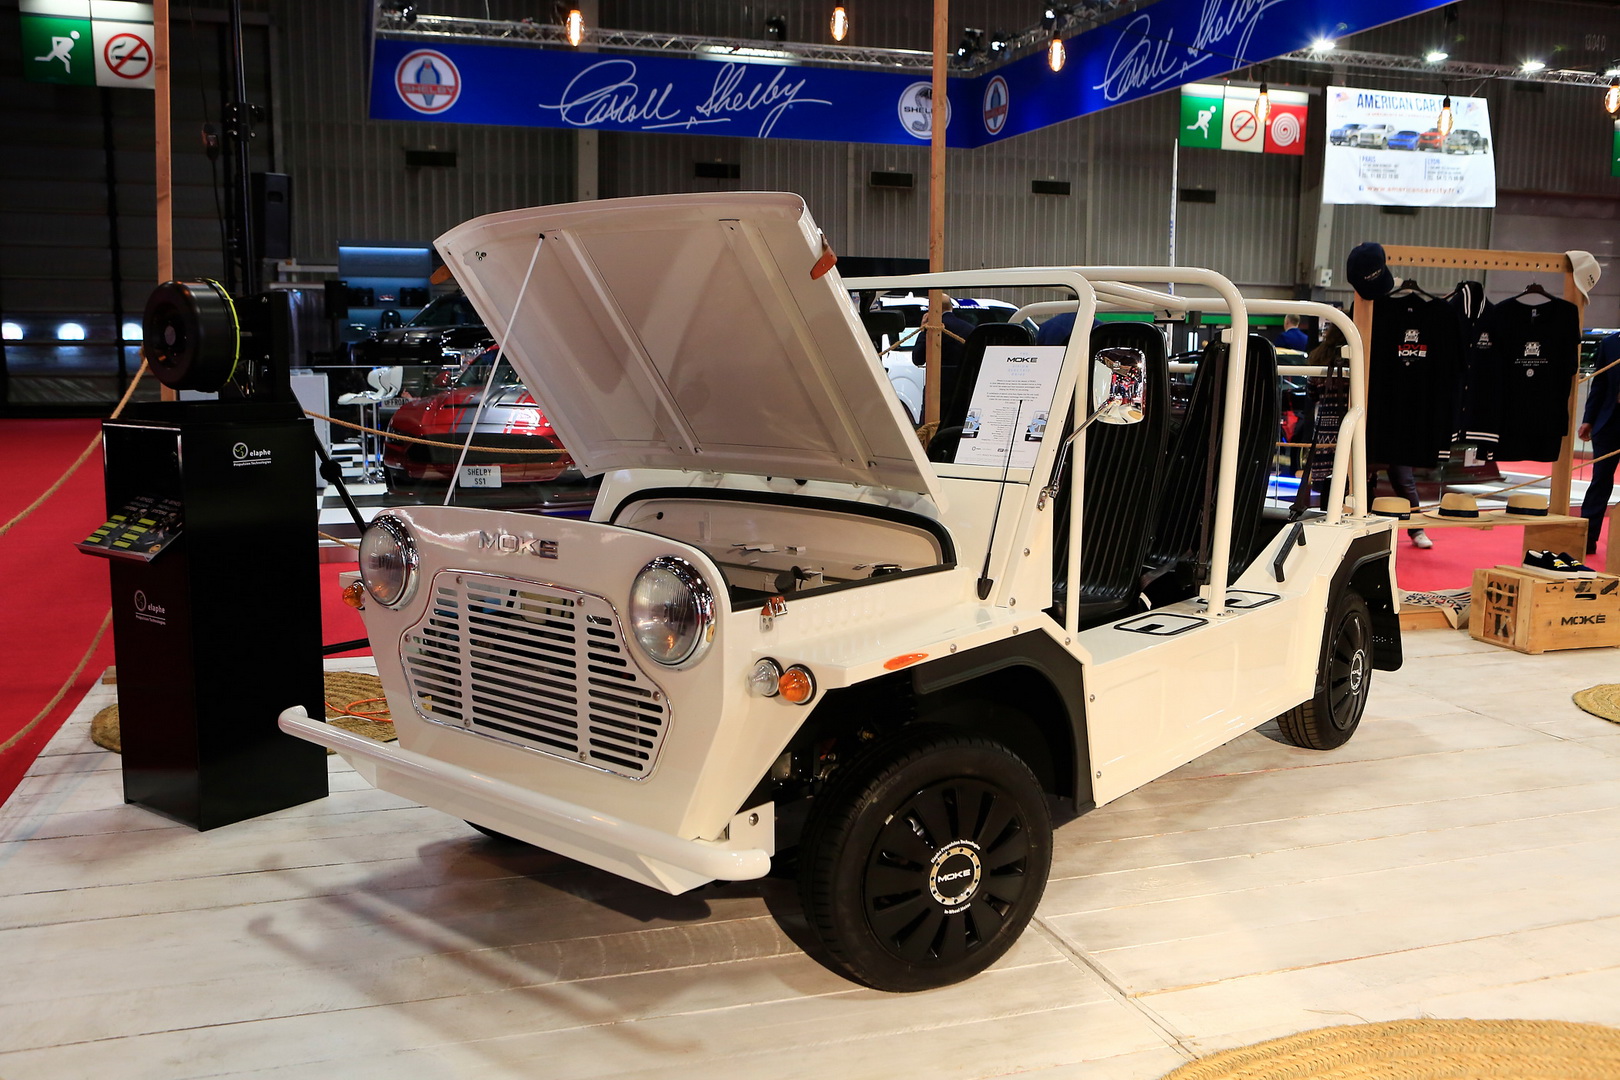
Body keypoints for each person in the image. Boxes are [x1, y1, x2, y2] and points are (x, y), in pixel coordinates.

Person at [1578, 333, 1620, 554]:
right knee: (1600, 481)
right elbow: (1599, 384)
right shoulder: (1610, 343)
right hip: (1608, 423)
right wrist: (1588, 419)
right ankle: (1587, 538)